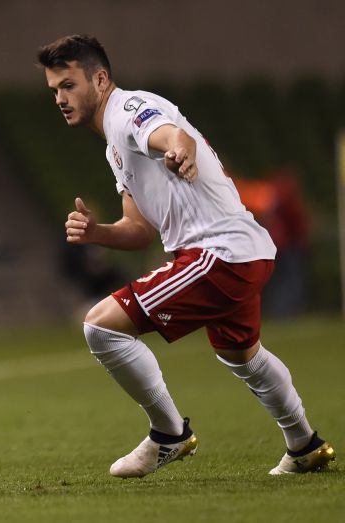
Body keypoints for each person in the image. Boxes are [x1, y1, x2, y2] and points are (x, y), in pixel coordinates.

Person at [36, 35, 335, 478]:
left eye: (68, 85)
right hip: (240, 251)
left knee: (100, 327)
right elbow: (138, 230)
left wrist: (181, 148)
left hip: (218, 253)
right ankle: (304, 446)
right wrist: (97, 232)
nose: (60, 98)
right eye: (54, 90)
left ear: (100, 79)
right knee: (242, 355)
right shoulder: (113, 143)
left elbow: (170, 134)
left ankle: (169, 433)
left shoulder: (127, 110)